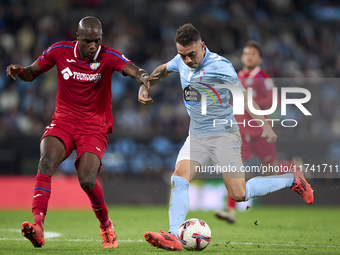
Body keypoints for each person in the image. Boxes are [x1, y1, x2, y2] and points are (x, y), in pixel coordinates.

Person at [138, 24, 313, 251]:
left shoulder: (220, 66)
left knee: (239, 194)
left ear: (202, 46)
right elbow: (164, 69)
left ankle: (291, 179)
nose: (188, 60)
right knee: (179, 179)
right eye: (183, 55)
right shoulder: (181, 59)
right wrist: (148, 83)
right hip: (197, 135)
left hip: (223, 136)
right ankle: (173, 235)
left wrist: (265, 125)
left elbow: (244, 97)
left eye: (192, 54)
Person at [6, 16, 151, 249]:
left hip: (94, 126)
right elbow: (31, 73)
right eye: (88, 41)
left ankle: (106, 225)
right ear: (78, 38)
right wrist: (20, 70)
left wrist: (144, 79)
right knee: (46, 162)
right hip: (63, 121)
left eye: (97, 40)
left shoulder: (108, 55)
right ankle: (38, 226)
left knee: (86, 180)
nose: (93, 46)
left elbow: (133, 69)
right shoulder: (59, 51)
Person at [214, 41, 303, 224]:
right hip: (240, 132)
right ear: (242, 57)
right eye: (246, 53)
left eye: (253, 54)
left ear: (259, 58)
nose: (249, 56)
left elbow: (273, 100)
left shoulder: (263, 77)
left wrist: (251, 101)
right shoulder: (236, 77)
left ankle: (292, 167)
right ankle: (230, 210)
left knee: (271, 169)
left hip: (260, 131)